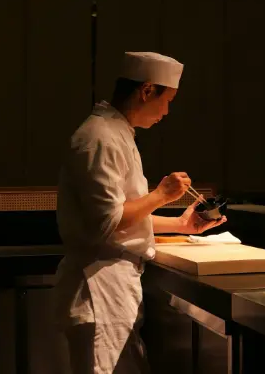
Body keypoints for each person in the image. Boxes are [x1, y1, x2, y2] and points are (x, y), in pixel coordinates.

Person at [53, 51, 227, 374]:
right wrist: (161, 194)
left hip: (113, 290)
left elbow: (124, 214)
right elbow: (106, 221)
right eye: (168, 100)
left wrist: (181, 224)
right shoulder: (99, 138)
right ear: (147, 91)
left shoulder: (117, 134)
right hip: (98, 291)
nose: (167, 111)